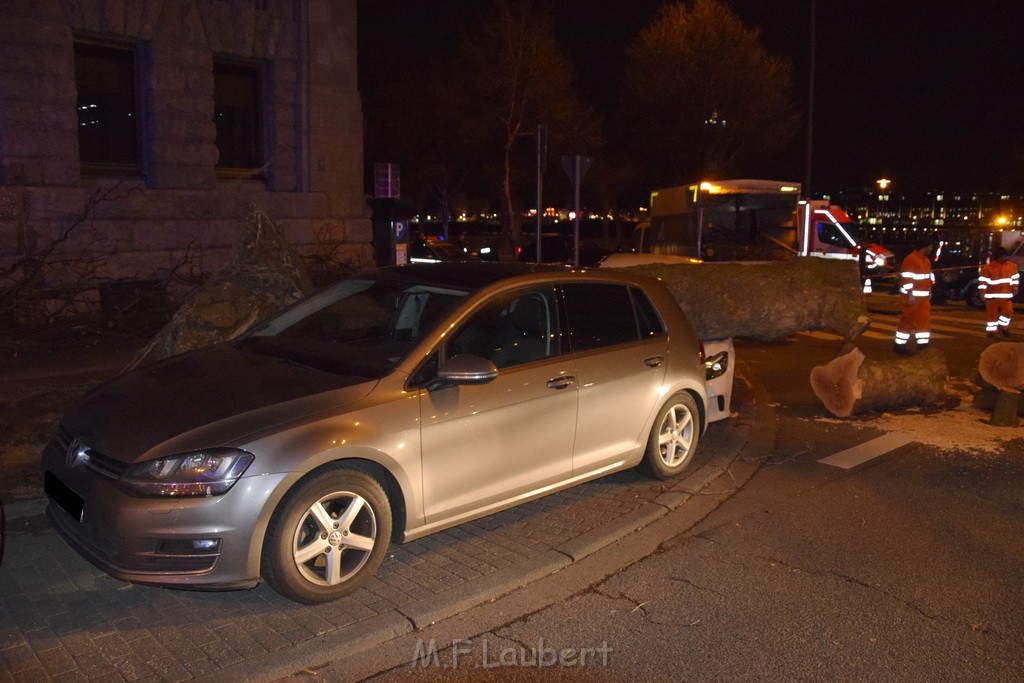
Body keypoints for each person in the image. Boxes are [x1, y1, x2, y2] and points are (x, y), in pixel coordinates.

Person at [894, 236, 935, 354]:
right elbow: (906, 278)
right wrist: (910, 294)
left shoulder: (925, 261)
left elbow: (927, 278)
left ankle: (922, 345)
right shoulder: (911, 259)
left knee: (924, 321)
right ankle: (899, 345)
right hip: (913, 298)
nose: (932, 249)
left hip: (923, 298)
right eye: (930, 246)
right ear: (925, 247)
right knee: (908, 321)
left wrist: (929, 291)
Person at [978, 246, 1020, 337]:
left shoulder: (1012, 266)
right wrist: (982, 292)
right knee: (992, 315)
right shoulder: (988, 268)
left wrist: (1015, 287)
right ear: (997, 257)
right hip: (992, 296)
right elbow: (982, 282)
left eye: (1005, 256)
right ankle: (991, 332)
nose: (1004, 258)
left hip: (1006, 295)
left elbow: (1015, 278)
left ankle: (1003, 326)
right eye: (1002, 256)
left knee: (1008, 312)